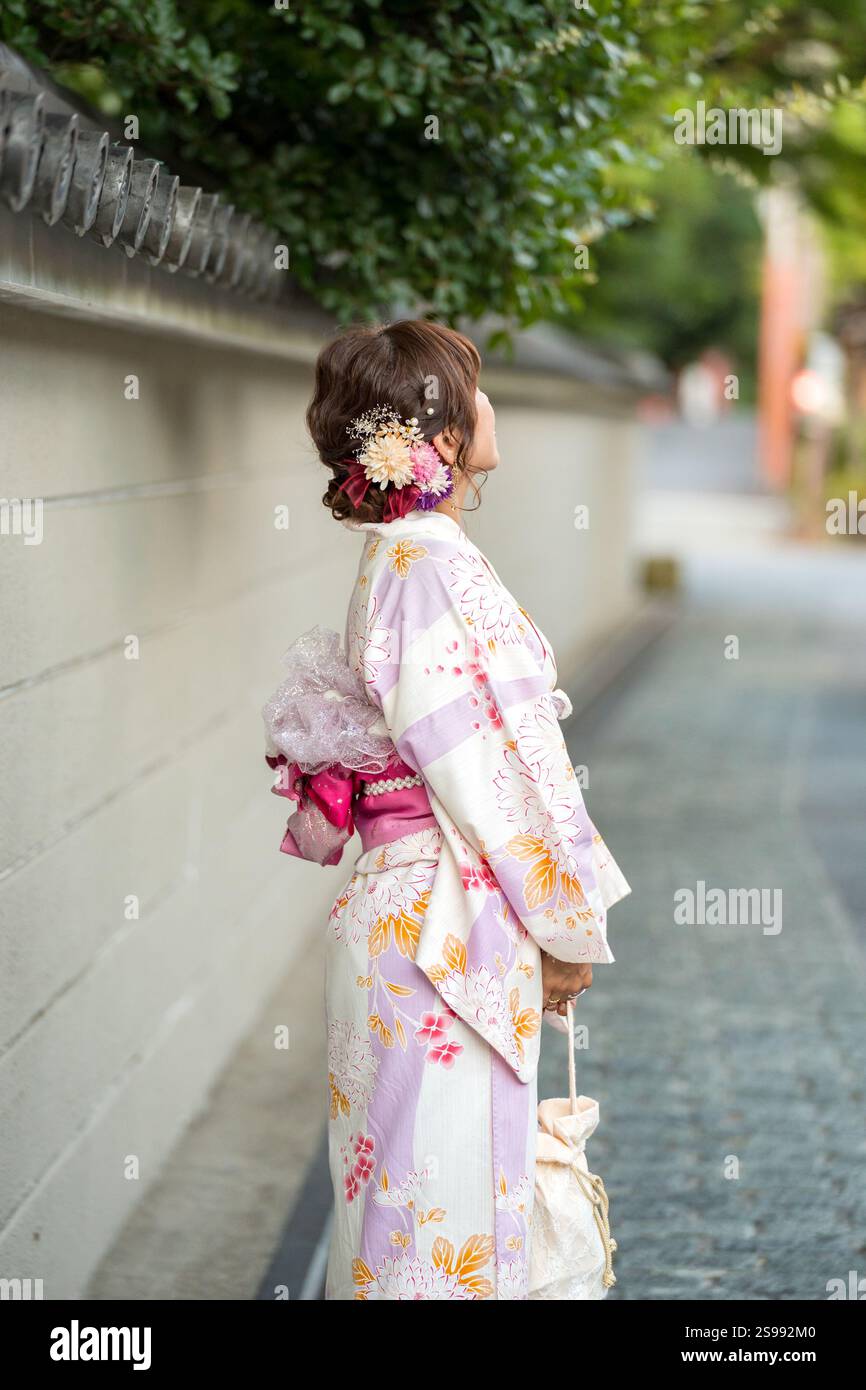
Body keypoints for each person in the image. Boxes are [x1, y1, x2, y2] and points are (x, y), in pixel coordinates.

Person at [262, 320, 630, 1300]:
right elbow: (491, 768)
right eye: (474, 388)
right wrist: (564, 920)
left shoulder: (411, 556)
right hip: (440, 925)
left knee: (411, 1218)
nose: (489, 401)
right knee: (433, 1231)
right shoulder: (429, 564)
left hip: (416, 910)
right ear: (445, 433)